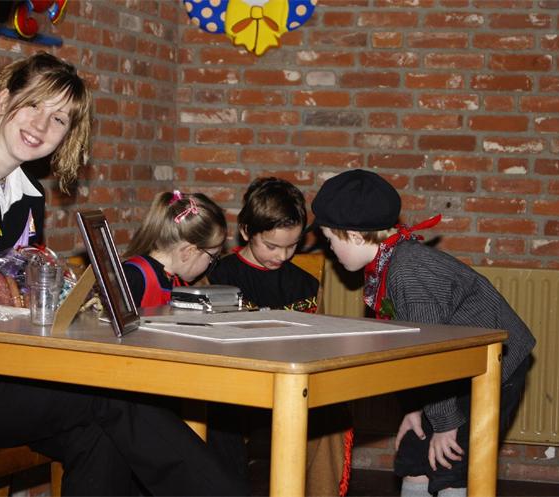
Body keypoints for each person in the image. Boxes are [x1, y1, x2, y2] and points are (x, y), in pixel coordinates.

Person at [0, 52, 246, 496]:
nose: (41, 125)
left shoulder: (30, 197)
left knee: (102, 434)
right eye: (33, 104)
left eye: (59, 119)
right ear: (3, 100)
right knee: (108, 396)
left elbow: (14, 300)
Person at [311, 169, 536, 497]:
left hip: (490, 368)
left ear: (355, 236)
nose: (330, 250)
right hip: (450, 371)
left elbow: (433, 353)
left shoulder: (409, 271)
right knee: (414, 455)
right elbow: (412, 351)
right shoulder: (388, 264)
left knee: (450, 462)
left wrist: (445, 424)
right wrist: (414, 408)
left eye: (331, 240)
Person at [208, 177, 353, 497]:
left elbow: (319, 342)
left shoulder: (305, 284)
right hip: (234, 385)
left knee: (332, 411)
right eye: (272, 246)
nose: (282, 256)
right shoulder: (218, 276)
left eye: (292, 246)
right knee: (214, 418)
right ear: (246, 231)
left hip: (290, 384)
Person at [122, 190, 226, 307]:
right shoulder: (134, 277)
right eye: (212, 257)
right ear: (189, 252)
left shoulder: (174, 280)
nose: (210, 264)